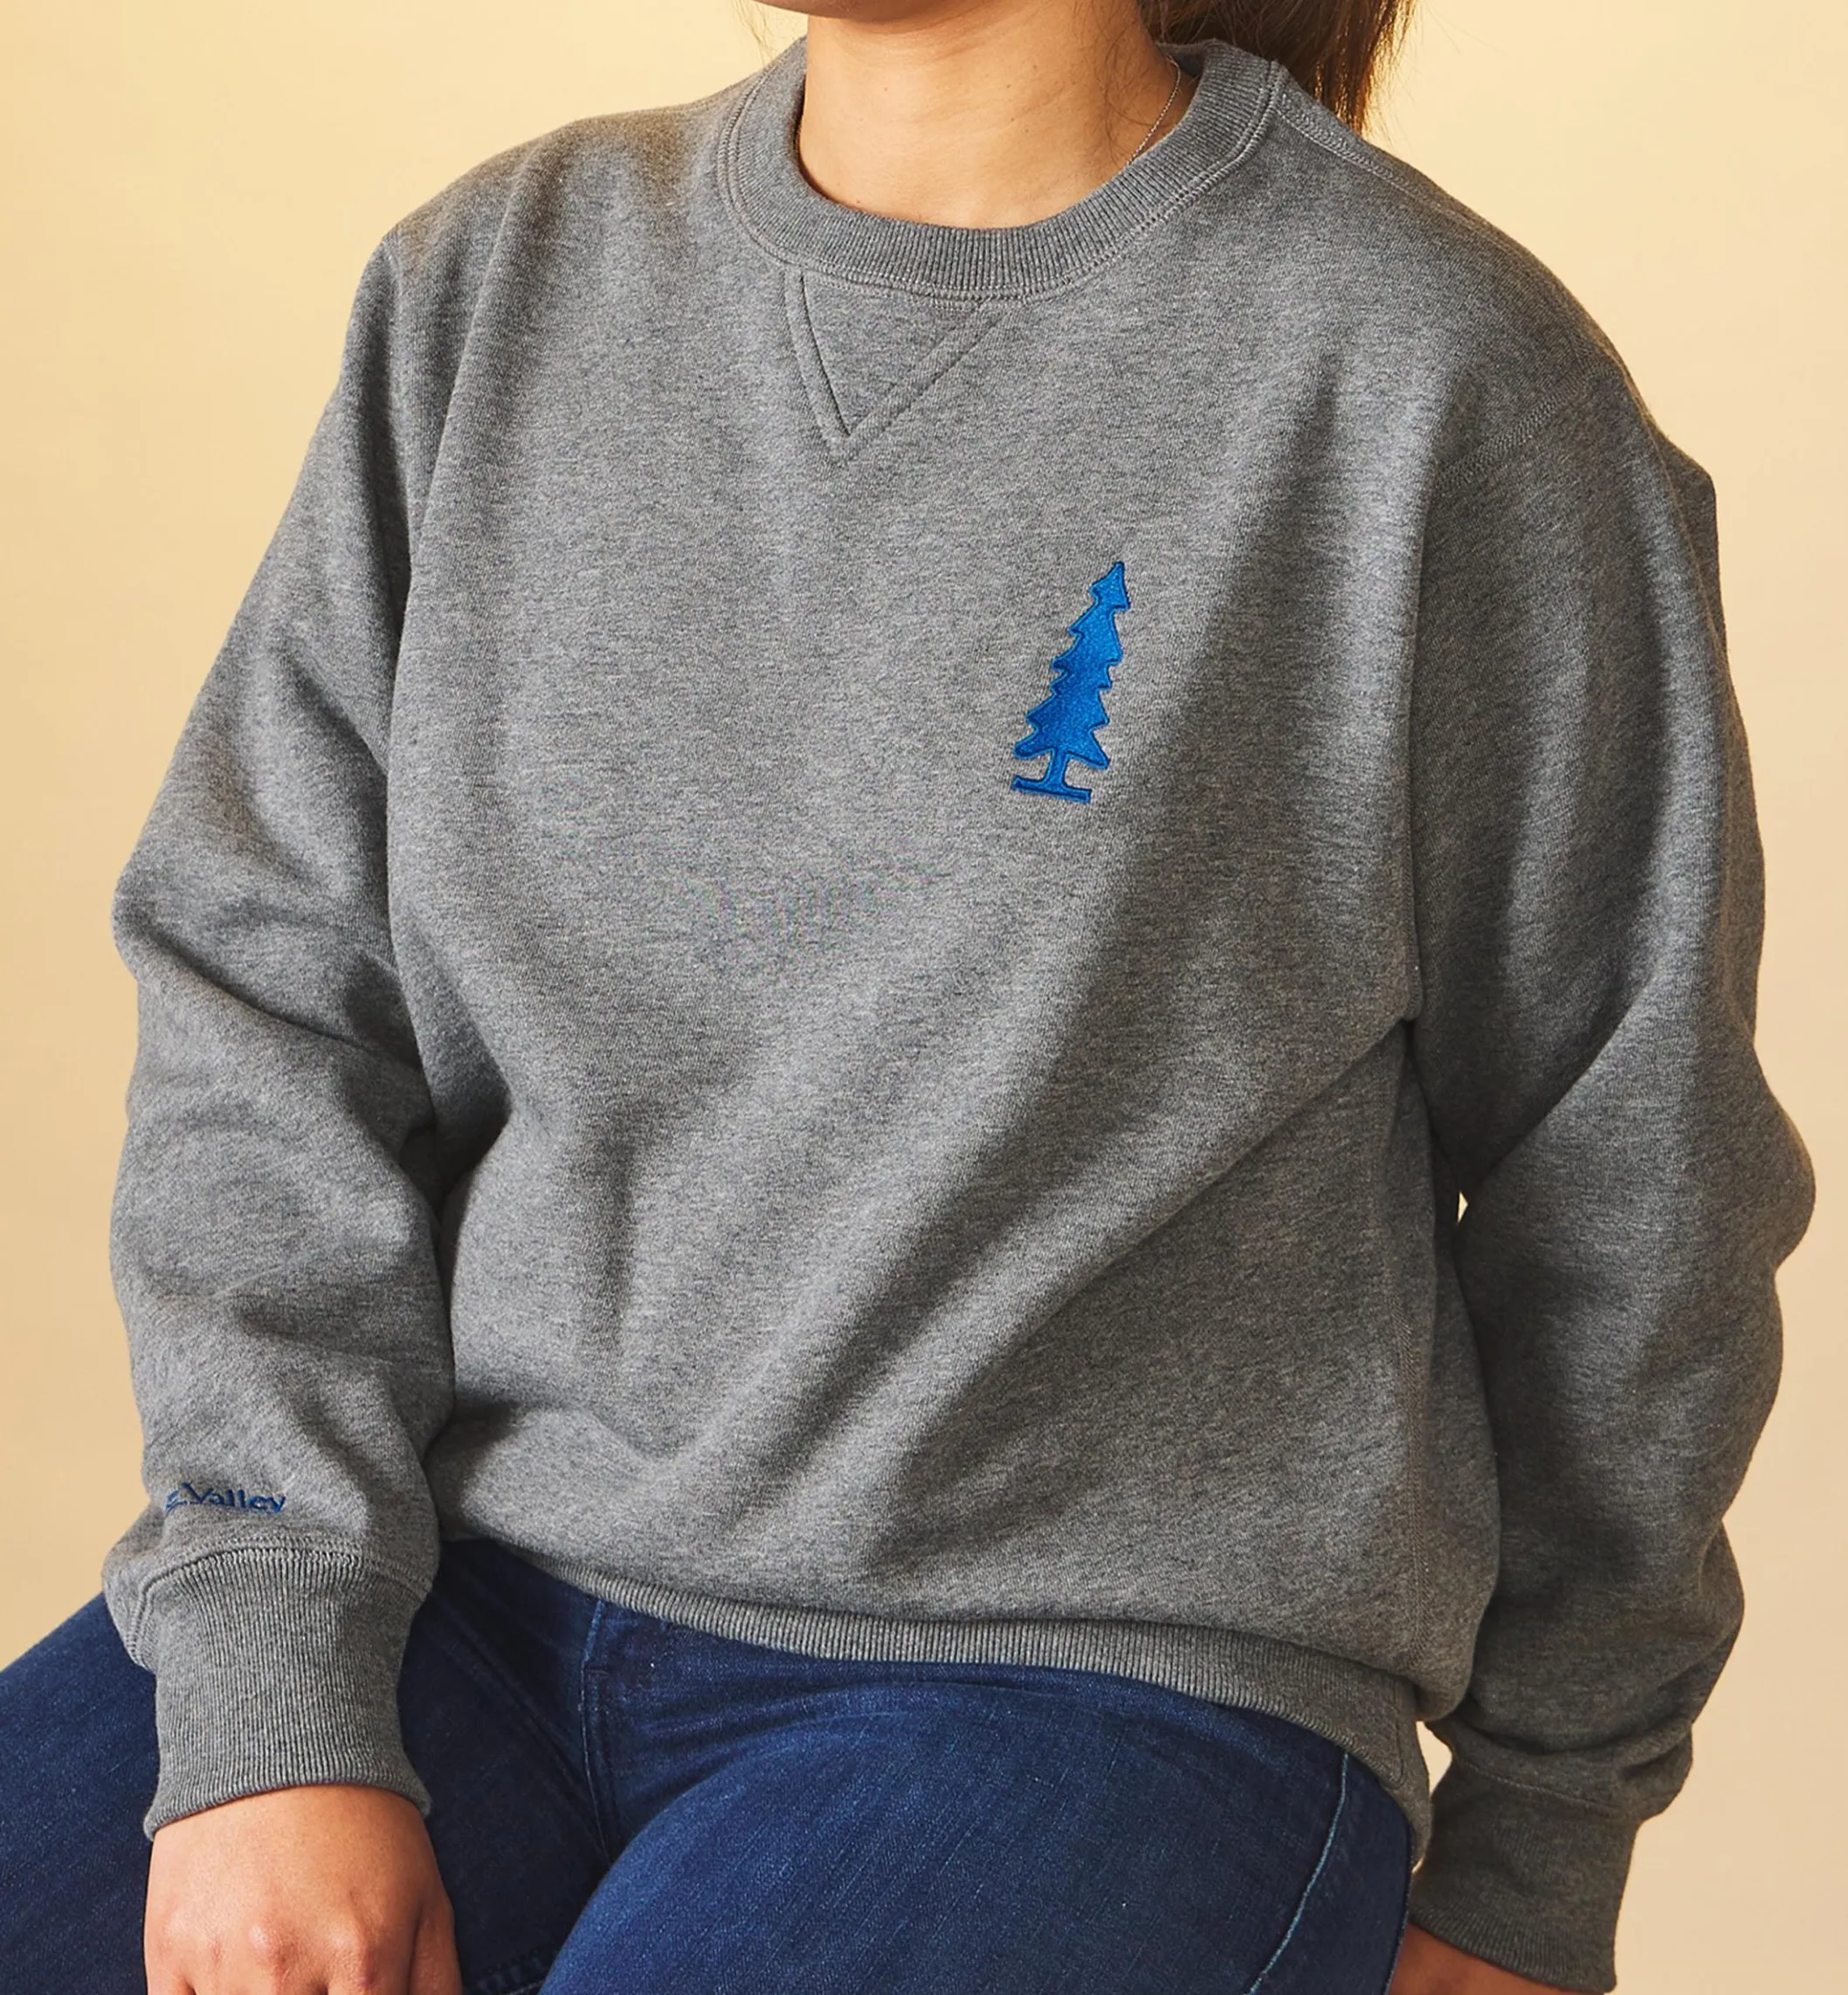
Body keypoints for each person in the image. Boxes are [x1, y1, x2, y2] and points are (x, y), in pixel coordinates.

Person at [0, 1, 1815, 1991]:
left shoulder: (1432, 375)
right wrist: (271, 1690)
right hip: (468, 1580)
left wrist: (1535, 1851)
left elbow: (1632, 1174)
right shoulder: (492, 284)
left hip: (1102, 1686)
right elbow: (269, 1004)